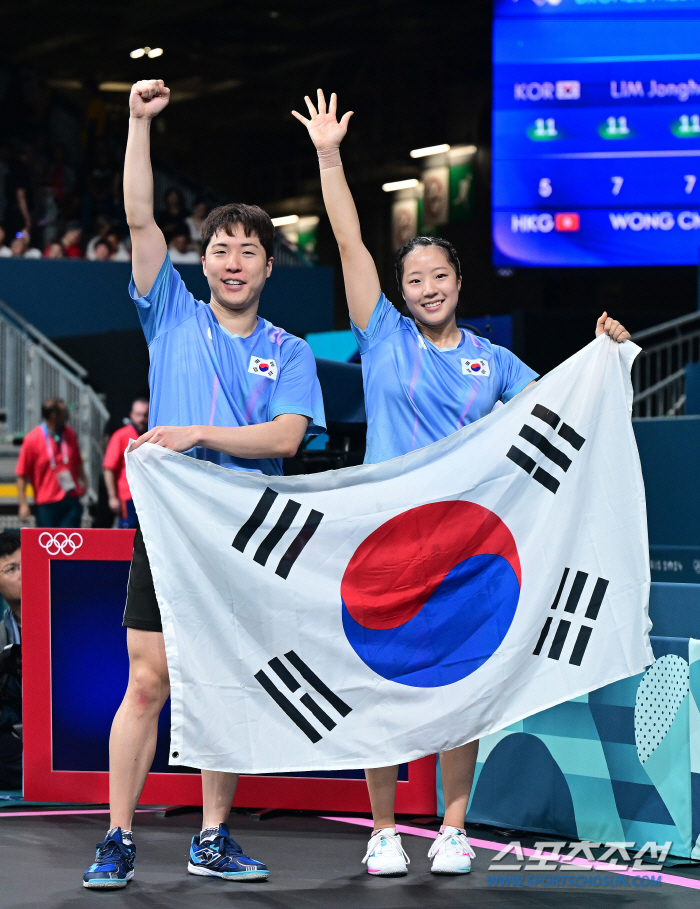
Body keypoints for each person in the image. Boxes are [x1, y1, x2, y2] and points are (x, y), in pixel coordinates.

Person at [294, 89, 632, 877]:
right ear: (400, 291)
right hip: (386, 539)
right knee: (379, 683)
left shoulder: (493, 361)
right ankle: (383, 828)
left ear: (456, 281)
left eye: (437, 275)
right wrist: (330, 156)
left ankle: (451, 827)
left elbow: (562, 403)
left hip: (466, 549)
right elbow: (348, 241)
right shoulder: (382, 339)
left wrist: (606, 354)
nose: (425, 287)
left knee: (460, 688)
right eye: (413, 279)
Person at [82, 79, 325, 891]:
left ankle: (212, 836)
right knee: (147, 680)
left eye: (247, 249)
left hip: (247, 529)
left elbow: (288, 437)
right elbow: (141, 217)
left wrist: (197, 433)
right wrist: (138, 123)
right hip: (171, 527)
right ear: (206, 259)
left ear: (265, 265)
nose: (230, 259)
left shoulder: (290, 350)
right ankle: (117, 834)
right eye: (220, 247)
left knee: (225, 683)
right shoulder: (172, 315)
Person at [16, 398, 85, 528]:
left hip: (70, 497)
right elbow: (22, 474)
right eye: (64, 412)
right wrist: (23, 503)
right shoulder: (32, 439)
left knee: (71, 543)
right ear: (54, 415)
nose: (67, 415)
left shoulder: (69, 434)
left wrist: (84, 480)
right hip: (46, 502)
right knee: (49, 544)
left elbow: (77, 462)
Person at [103, 398, 150, 528]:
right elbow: (109, 467)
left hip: (150, 495)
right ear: (131, 415)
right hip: (129, 496)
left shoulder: (152, 435)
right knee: (129, 535)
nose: (141, 419)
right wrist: (112, 497)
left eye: (145, 415)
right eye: (138, 415)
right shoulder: (121, 436)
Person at [0, 532, 22, 791]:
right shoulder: (2, 634)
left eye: (27, 563)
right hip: (15, 731)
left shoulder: (69, 623)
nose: (22, 573)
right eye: (11, 569)